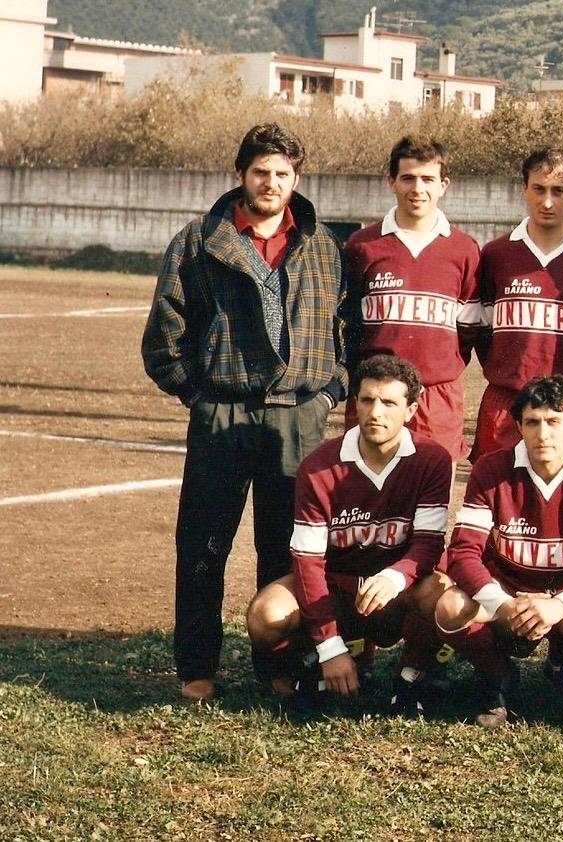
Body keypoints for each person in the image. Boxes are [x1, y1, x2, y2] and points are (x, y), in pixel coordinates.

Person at [142, 122, 348, 702]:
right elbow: (164, 337)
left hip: (297, 418)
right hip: (223, 414)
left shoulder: (323, 244)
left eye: (282, 173)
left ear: (296, 179)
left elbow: (346, 331)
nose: (271, 183)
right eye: (261, 171)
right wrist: (199, 398)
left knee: (286, 548)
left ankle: (278, 664)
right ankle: (197, 667)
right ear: (241, 174)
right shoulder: (197, 241)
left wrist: (328, 394)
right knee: (204, 546)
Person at [243, 354, 452, 710]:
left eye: (389, 403)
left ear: (411, 410)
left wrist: (395, 577)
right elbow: (308, 562)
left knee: (443, 595)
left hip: (397, 590)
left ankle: (413, 674)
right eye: (367, 400)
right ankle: (308, 664)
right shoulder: (319, 467)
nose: (376, 413)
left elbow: (429, 545)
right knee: (267, 615)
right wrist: (330, 647)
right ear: (355, 404)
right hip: (336, 587)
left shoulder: (432, 459)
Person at [434, 375, 563, 728]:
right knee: (450, 607)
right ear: (519, 426)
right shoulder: (491, 468)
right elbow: (464, 552)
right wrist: (505, 605)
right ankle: (497, 676)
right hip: (509, 597)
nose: (543, 434)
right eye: (532, 422)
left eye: (553, 422)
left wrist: (559, 605)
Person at [342, 134, 481, 463]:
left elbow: (470, 332)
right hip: (375, 394)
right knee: (367, 488)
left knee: (434, 490)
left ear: (444, 185)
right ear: (391, 181)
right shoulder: (362, 246)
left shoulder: (464, 249)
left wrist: (437, 367)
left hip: (437, 396)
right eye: (408, 178)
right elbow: (349, 326)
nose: (418, 189)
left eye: (428, 179)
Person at [474, 148, 563, 461]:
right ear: (524, 188)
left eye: (558, 191)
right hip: (507, 404)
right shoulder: (496, 254)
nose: (547, 202)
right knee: (496, 489)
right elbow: (481, 332)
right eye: (539, 189)